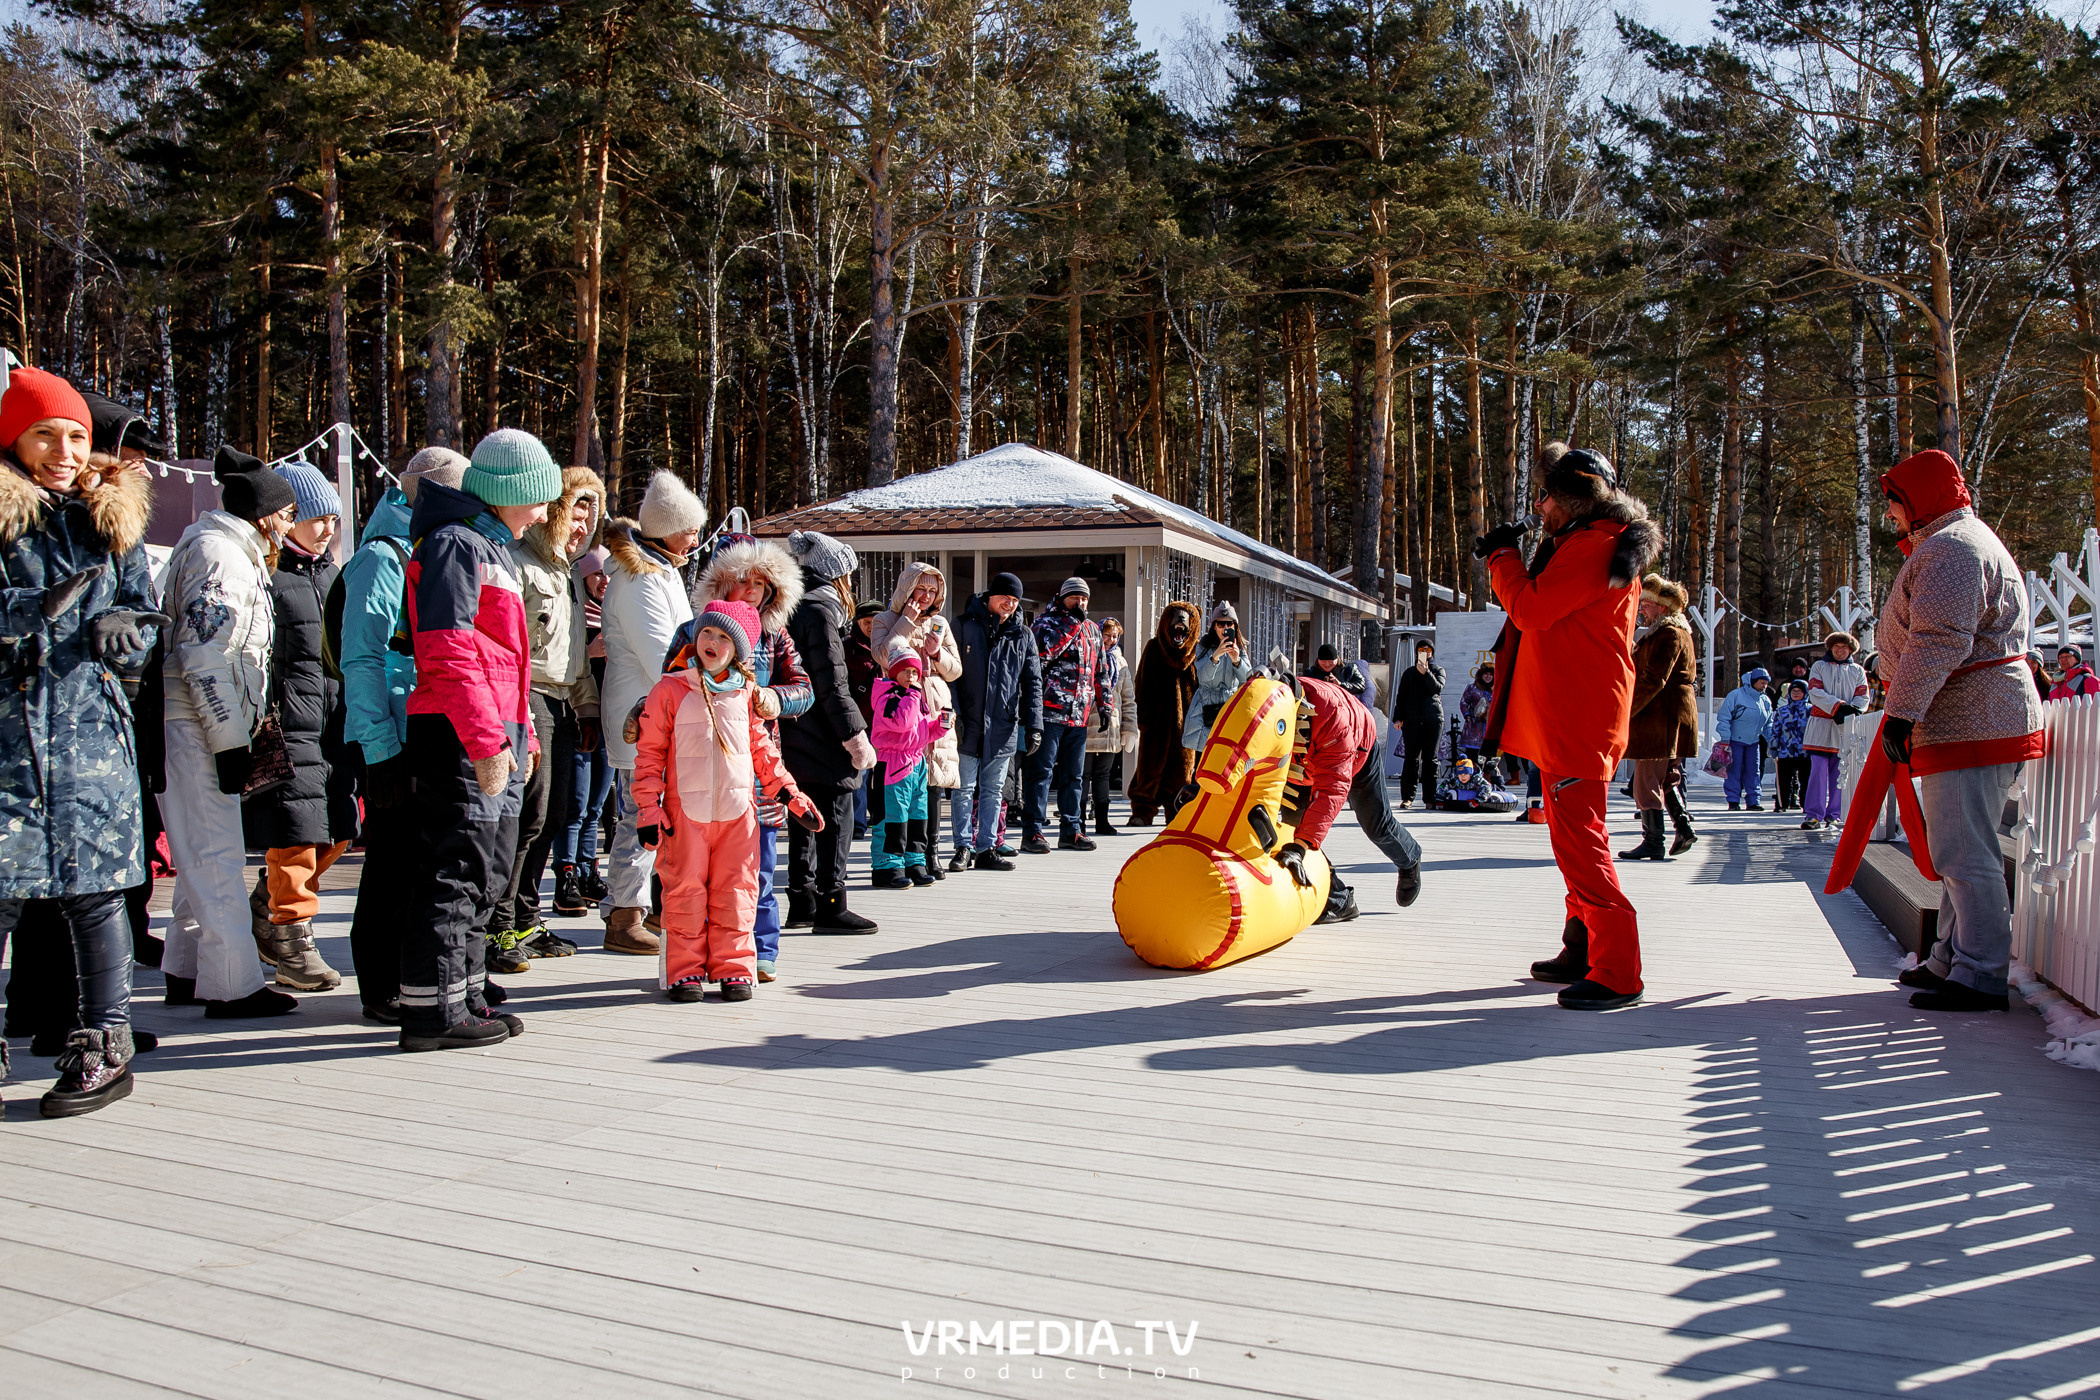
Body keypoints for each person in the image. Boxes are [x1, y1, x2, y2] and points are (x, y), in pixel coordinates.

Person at [0, 368, 160, 1116]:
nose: (66, 450)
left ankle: (105, 1044)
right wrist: (30, 608)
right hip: (9, 739)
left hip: (92, 739)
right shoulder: (3, 519)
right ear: (15, 439)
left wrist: (123, 638)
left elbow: (143, 616)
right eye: (48, 435)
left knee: (96, 898)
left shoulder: (110, 519)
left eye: (76, 436)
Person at [1477, 442, 1659, 1011]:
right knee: (1571, 840)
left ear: (1571, 500)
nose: (1539, 508)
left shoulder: (1591, 547)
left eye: (1546, 497)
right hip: (1573, 714)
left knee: (1583, 845)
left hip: (1578, 718)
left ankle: (1618, 970)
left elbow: (1529, 610)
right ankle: (1581, 946)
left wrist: (1502, 557)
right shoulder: (1589, 542)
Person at [396, 428, 561, 1051]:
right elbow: (448, 652)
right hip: (458, 732)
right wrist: (489, 741)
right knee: (456, 869)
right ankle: (431, 1011)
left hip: (494, 731)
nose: (544, 513)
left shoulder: (488, 548)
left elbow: (505, 661)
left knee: (486, 869)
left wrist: (521, 738)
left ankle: (464, 992)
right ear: (507, 492)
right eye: (538, 499)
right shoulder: (454, 546)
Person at [1876, 449, 2045, 1013]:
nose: (1892, 517)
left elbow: (1939, 639)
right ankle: (1952, 957)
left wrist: (1901, 711)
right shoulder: (1955, 543)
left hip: (1971, 716)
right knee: (1959, 848)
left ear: (1920, 499)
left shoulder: (1952, 550)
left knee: (1964, 851)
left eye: (1895, 504)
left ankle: (1980, 972)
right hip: (1968, 716)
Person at [161, 445, 301, 1019]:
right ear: (264, 513)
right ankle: (232, 985)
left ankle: (186, 967)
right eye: (287, 513)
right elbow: (203, 652)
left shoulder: (227, 551)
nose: (291, 524)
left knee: (202, 850)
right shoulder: (221, 556)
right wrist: (228, 741)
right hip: (196, 724)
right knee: (216, 854)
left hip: (203, 722)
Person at [632, 598, 821, 1003]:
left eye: (723, 637)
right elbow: (649, 756)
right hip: (687, 816)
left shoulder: (746, 694)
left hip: (739, 816)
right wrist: (649, 807)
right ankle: (684, 970)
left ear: (738, 649)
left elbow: (764, 753)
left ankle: (733, 967)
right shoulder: (671, 689)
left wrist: (790, 794)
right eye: (706, 633)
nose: (712, 642)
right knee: (684, 892)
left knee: (737, 892)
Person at [340, 447, 464, 1023]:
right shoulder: (381, 557)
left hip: (420, 725)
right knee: (390, 859)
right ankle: (377, 982)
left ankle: (413, 973)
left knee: (418, 857)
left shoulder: (423, 548)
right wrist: (377, 746)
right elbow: (362, 657)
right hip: (388, 733)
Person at [241, 460, 356, 992]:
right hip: (289, 723)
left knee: (338, 828)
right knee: (296, 836)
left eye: (333, 517)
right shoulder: (270, 575)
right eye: (316, 517)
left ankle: (266, 908)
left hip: (331, 722)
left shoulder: (331, 574)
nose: (328, 528)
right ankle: (292, 939)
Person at [683, 533, 812, 980]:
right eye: (744, 580)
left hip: (758, 766)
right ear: (723, 583)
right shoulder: (693, 632)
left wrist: (775, 699)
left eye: (762, 583)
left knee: (759, 867)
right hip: (702, 766)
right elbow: (668, 686)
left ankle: (761, 948)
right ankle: (702, 955)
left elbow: (804, 689)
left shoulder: (776, 637)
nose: (753, 591)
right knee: (700, 873)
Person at [488, 462, 603, 964]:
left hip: (561, 702)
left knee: (553, 815)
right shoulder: (518, 562)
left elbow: (573, 653)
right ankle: (499, 924)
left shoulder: (566, 572)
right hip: (525, 698)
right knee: (527, 815)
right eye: (574, 514)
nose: (581, 528)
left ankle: (526, 918)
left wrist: (589, 709)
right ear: (552, 511)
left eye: (589, 519)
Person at [599, 470, 706, 955]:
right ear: (665, 528)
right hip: (641, 713)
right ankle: (624, 914)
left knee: (660, 813)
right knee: (637, 813)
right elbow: (662, 652)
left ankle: (656, 906)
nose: (696, 538)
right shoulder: (641, 580)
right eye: (689, 528)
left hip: (659, 711)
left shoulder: (660, 571)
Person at [780, 529, 879, 933]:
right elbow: (831, 683)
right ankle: (831, 904)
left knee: (803, 816)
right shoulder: (821, 611)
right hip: (823, 733)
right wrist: (855, 736)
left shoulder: (794, 607)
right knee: (836, 815)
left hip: (796, 731)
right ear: (834, 576)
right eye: (849, 577)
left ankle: (801, 902)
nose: (852, 585)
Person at [1279, 664, 1425, 922]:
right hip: (1303, 763)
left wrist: (1301, 847)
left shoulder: (1334, 719)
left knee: (1376, 824)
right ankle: (1338, 900)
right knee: (1290, 830)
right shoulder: (1269, 707)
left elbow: (1331, 792)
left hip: (1356, 753)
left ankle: (1409, 857)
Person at [872, 561, 961, 872]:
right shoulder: (884, 620)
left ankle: (927, 852)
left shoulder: (940, 624)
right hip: (902, 709)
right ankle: (896, 857)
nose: (926, 596)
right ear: (906, 587)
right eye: (920, 588)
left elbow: (956, 670)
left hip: (935, 707)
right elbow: (882, 656)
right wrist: (906, 623)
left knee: (932, 782)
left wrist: (937, 654)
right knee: (900, 785)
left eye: (932, 591)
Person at [952, 572, 1042, 872]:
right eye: (1005, 597)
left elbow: (1032, 683)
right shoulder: (963, 626)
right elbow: (950, 676)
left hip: (1003, 725)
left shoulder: (1023, 635)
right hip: (968, 720)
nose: (1010, 604)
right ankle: (963, 847)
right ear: (990, 596)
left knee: (993, 790)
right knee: (964, 788)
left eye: (1015, 600)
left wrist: (1034, 725)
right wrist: (954, 714)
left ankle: (986, 847)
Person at [1024, 577, 1111, 853]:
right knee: (1041, 773)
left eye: (1084, 598)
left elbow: (1101, 670)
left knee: (1074, 775)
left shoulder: (1093, 630)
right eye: (1074, 597)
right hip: (1050, 712)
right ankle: (1033, 831)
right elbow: (1042, 654)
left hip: (1079, 714)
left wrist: (1105, 704)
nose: (1080, 603)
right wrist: (1071, 623)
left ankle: (1071, 829)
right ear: (1062, 598)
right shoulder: (1045, 623)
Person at [1618, 575, 1699, 861]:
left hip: (1660, 718)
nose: (1642, 609)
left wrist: (1626, 710)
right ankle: (1683, 826)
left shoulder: (1669, 634)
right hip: (1670, 716)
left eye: (1647, 604)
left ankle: (1653, 840)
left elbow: (1653, 679)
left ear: (1663, 608)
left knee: (1646, 780)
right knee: (1667, 778)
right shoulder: (1673, 633)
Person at [552, 544, 614, 909]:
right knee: (574, 804)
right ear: (583, 577)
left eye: (608, 574)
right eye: (596, 574)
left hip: (608, 722)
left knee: (596, 804)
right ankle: (566, 874)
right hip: (579, 719)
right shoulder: (574, 616)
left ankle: (589, 871)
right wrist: (588, 653)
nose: (604, 581)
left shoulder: (613, 618)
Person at [869, 641, 953, 887]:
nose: (911, 676)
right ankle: (887, 865)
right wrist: (915, 693)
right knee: (892, 816)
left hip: (916, 761)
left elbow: (921, 732)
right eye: (905, 671)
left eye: (915, 671)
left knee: (918, 815)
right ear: (894, 672)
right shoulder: (890, 697)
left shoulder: (913, 698)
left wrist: (941, 725)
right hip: (893, 764)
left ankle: (914, 860)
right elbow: (902, 724)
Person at [1126, 601, 1198, 825]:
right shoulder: (1154, 647)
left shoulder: (1196, 653)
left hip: (1187, 726)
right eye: (1175, 618)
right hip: (1156, 723)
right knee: (1149, 769)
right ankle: (1142, 811)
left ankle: (1176, 813)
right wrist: (1143, 719)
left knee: (1182, 771)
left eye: (1186, 620)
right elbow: (1141, 683)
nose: (1180, 625)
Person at [1802, 630, 1868, 831]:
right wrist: (1838, 706)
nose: (1840, 651)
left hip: (1844, 727)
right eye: (1836, 647)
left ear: (1850, 650)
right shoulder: (1819, 667)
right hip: (1821, 728)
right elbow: (1815, 691)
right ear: (1831, 648)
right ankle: (1813, 814)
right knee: (1818, 772)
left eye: (1844, 648)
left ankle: (1835, 814)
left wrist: (1852, 710)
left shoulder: (1857, 670)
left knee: (1841, 773)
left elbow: (1863, 695)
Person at [1181, 601, 1255, 764]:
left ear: (1235, 626)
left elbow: (1247, 680)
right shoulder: (1204, 646)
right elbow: (1203, 678)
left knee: (1227, 761)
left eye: (1229, 624)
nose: (1225, 628)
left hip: (1230, 708)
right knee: (1204, 761)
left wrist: (1237, 661)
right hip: (1206, 709)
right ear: (1214, 626)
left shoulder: (1240, 647)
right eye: (1221, 624)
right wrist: (1215, 657)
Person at [1083, 616, 1137, 835]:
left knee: (1103, 775)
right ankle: (1078, 822)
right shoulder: (1088, 654)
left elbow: (1128, 698)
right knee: (1082, 775)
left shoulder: (1120, 662)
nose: (1110, 639)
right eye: (1107, 635)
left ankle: (1102, 820)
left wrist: (1130, 728)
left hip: (1110, 728)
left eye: (1114, 636)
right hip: (1087, 725)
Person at [844, 599, 883, 838]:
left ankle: (879, 820)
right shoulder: (847, 647)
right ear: (858, 623)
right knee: (860, 774)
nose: (871, 627)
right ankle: (857, 825)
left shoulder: (889, 644)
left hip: (886, 722)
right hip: (859, 720)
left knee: (882, 776)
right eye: (866, 622)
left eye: (875, 622)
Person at [1392, 639, 1445, 810]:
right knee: (1411, 759)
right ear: (1416, 652)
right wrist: (1398, 718)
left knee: (1431, 760)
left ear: (1432, 652)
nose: (1425, 652)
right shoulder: (1409, 673)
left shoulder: (1438, 670)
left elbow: (1436, 689)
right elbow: (1401, 696)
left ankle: (1430, 798)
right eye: (1422, 649)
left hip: (1433, 719)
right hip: (1412, 721)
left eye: (1428, 649)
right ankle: (1407, 797)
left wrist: (1427, 673)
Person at [1718, 668, 1773, 810]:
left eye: (1766, 683)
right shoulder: (1736, 695)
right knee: (1734, 771)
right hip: (1735, 740)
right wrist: (1725, 737)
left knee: (1754, 771)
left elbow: (1768, 723)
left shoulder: (1765, 700)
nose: (1764, 686)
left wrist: (1772, 740)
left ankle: (1754, 800)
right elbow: (1724, 717)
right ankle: (1733, 800)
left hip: (1753, 741)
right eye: (1761, 683)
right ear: (1753, 682)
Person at [1770, 680, 1812, 814]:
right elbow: (1776, 730)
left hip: (1805, 752)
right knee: (1784, 780)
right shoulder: (1782, 711)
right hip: (1785, 751)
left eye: (1799, 691)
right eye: (1793, 691)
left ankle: (1807, 804)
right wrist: (1773, 748)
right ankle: (1782, 804)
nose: (1796, 693)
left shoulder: (1810, 710)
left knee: (1806, 780)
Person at [1457, 664, 1494, 761]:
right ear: (1481, 675)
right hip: (1474, 726)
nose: (1488, 676)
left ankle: (1487, 775)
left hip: (1490, 727)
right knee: (1472, 756)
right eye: (1486, 674)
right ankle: (1471, 775)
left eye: (1491, 674)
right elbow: (1464, 702)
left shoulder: (1496, 689)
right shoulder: (1472, 687)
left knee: (1489, 757)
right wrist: (1467, 716)